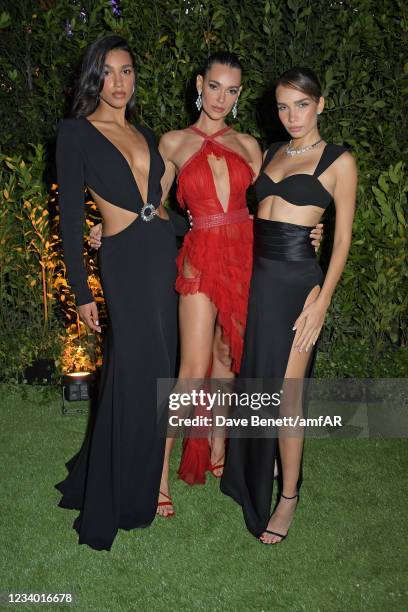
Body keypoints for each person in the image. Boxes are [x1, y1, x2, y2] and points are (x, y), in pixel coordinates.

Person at [90, 54, 324, 518]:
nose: (222, 98)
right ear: (200, 84)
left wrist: (308, 231)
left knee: (227, 360)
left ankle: (219, 449)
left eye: (232, 91)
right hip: (200, 255)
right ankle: (157, 473)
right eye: (215, 86)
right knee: (192, 369)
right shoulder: (172, 143)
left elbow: (276, 200)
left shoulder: (251, 145)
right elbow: (149, 203)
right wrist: (111, 225)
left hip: (247, 254)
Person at [220, 67, 357, 544]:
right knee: (255, 380)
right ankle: (252, 472)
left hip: (299, 285)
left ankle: (289, 496)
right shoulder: (273, 152)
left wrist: (321, 302)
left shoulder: (339, 160)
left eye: (301, 104)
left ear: (321, 104)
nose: (291, 115)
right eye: (283, 106)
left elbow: (340, 241)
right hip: (257, 280)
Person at [55, 35, 179, 551]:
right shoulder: (76, 133)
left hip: (163, 253)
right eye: (108, 72)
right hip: (124, 262)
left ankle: (146, 483)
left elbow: (168, 206)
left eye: (127, 71)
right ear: (93, 78)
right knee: (130, 370)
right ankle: (115, 493)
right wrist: (82, 290)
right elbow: (66, 218)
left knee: (162, 372)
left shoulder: (145, 133)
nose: (119, 82)